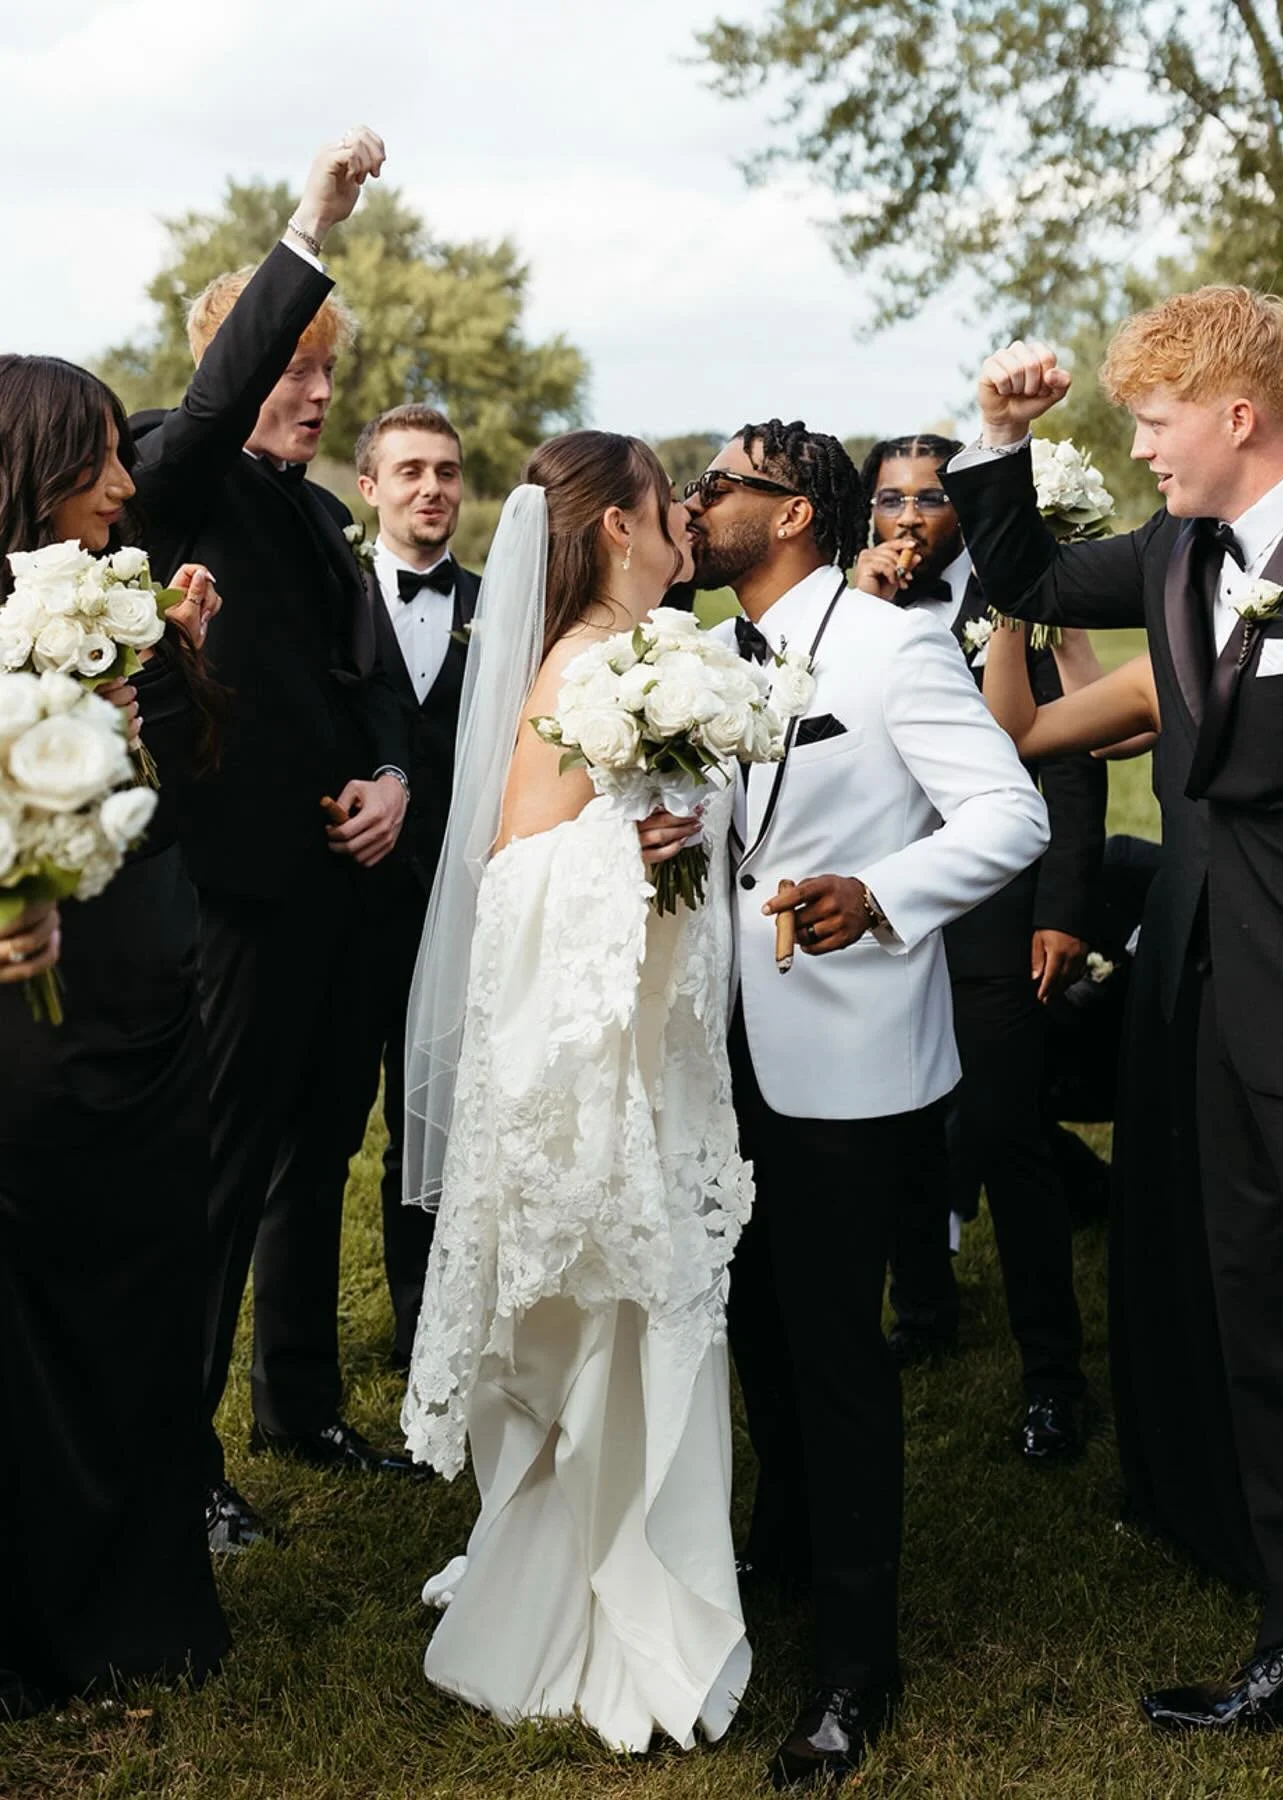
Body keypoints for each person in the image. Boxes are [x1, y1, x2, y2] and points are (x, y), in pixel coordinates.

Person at [944, 289, 1283, 1798]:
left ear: (1237, 416)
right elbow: (1021, 563)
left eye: (1154, 421)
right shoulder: (1175, 553)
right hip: (1215, 1026)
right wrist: (998, 434)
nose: (1141, 447)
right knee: (1268, 1344)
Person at [688, 420, 1051, 1785]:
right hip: (715, 1045)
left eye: (722, 485)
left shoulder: (891, 647)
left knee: (837, 1348)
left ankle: (855, 1662)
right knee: (750, 1321)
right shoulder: (703, 656)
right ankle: (783, 1549)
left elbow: (1008, 821)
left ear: (792, 516)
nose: (698, 501)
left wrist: (880, 898)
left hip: (843, 1049)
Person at [400, 432, 753, 1755]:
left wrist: (669, 851)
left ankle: (623, 1563)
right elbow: (515, 875)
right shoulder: (592, 669)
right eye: (672, 512)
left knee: (642, 1314)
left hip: (640, 1043)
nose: (688, 535)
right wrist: (633, 849)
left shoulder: (643, 664)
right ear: (618, 529)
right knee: (620, 1314)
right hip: (593, 1064)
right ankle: (611, 1600)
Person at [130, 128, 425, 1552]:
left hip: (337, 898)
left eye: (325, 375)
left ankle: (296, 1405)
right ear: (240, 371)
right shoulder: (169, 483)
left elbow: (378, 688)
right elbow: (200, 419)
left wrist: (392, 779)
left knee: (324, 1154)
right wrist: (314, 220)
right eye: (291, 372)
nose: (314, 396)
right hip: (228, 905)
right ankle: (176, 1461)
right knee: (220, 1178)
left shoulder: (318, 523)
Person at [0, 355, 230, 1717]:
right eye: (100, 458)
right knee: (43, 1309)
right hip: (39, 1027)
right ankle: (42, 1613)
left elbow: (173, 772)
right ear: (33, 464)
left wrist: (174, 666)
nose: (128, 484)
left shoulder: (112, 599)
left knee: (153, 1287)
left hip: (151, 992)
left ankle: (147, 1605)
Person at [855, 433, 1106, 1461]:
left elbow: (1078, 759)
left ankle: (1054, 1373)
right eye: (889, 500)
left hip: (1000, 909)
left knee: (1006, 1130)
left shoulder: (1013, 593)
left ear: (964, 506)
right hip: (877, 910)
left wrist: (1065, 906)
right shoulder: (846, 607)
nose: (908, 518)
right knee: (904, 1126)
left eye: (929, 499)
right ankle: (924, 1311)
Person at [261, 405, 477, 1376]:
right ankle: (293, 1363)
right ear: (370, 487)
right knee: (321, 1138)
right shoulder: (326, 594)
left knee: (435, 1134)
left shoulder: (499, 607)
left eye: (447, 472)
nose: (431, 488)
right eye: (411, 472)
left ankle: (426, 1327)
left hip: (464, 913)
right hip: (350, 909)